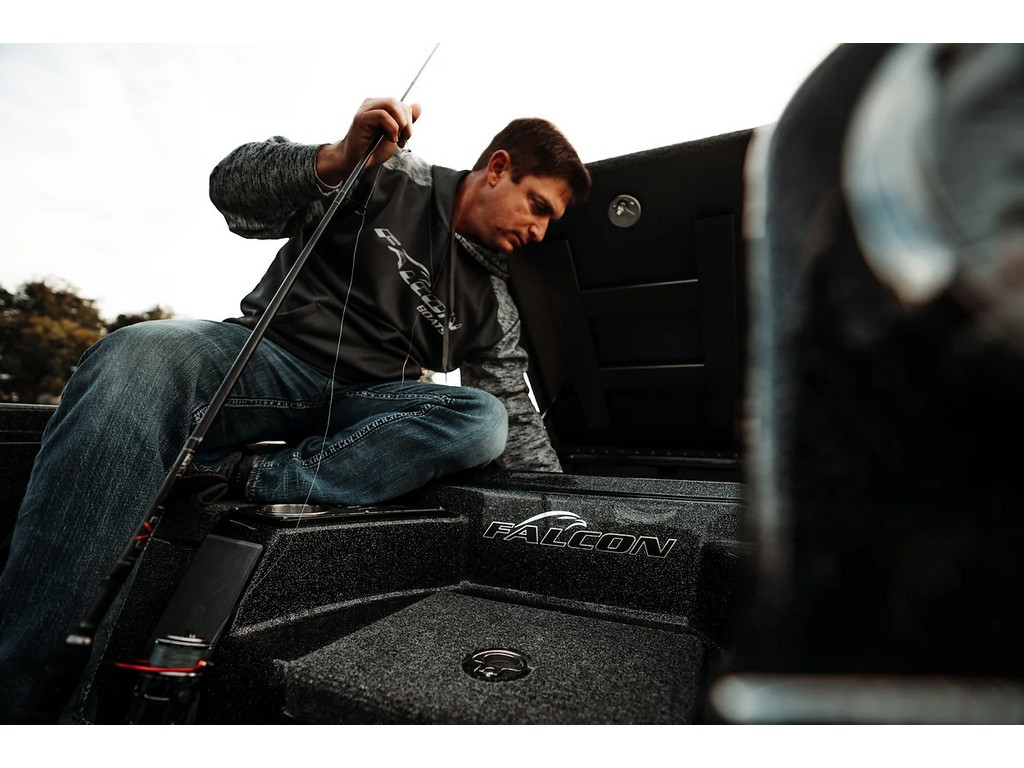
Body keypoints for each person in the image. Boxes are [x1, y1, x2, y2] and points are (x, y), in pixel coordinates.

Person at [0, 96, 591, 723]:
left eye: (550, 221)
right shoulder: (386, 170)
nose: (539, 232)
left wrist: (574, 514)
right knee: (136, 352)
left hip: (365, 407)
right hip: (265, 360)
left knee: (482, 419)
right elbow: (232, 191)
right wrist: (334, 159)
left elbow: (515, 421)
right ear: (498, 168)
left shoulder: (496, 304)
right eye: (538, 206)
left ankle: (243, 477)